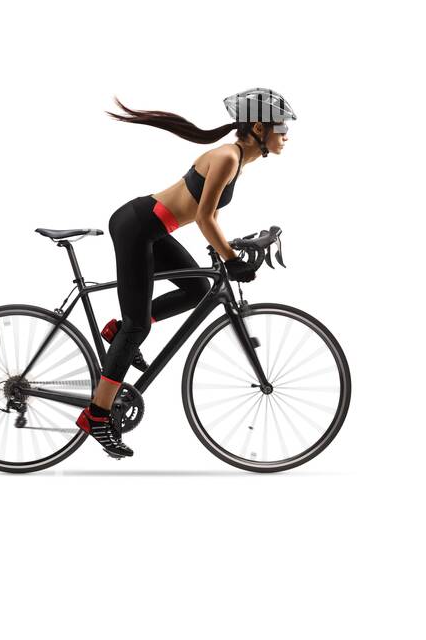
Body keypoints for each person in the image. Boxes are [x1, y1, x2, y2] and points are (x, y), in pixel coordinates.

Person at [76, 88, 295, 458]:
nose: (287, 134)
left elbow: (207, 213)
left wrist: (235, 244)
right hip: (137, 227)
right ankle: (96, 416)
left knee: (195, 291)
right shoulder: (227, 157)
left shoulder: (237, 159)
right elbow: (205, 217)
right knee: (138, 326)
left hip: (154, 230)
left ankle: (116, 333)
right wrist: (230, 258)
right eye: (282, 127)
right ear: (259, 127)